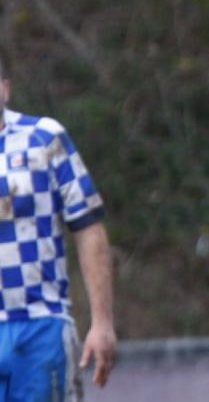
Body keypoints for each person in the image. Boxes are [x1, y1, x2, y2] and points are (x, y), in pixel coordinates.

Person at [0, 49, 116, 400]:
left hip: (41, 324)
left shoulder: (44, 138)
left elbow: (88, 227)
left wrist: (102, 322)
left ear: (5, 88)